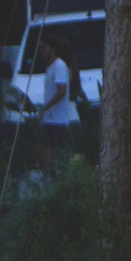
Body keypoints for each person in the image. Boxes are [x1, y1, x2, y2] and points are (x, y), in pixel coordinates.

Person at [34, 35, 79, 166]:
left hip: (58, 119)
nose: (41, 51)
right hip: (49, 119)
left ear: (52, 48)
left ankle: (54, 178)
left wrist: (44, 109)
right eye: (39, 49)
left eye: (43, 47)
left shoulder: (59, 65)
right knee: (46, 150)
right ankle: (50, 178)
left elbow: (62, 91)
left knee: (53, 152)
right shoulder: (50, 67)